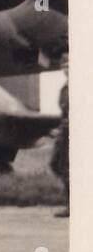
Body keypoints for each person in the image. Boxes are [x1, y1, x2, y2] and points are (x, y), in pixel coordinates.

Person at [52, 71, 69, 219]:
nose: (65, 67)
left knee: (67, 168)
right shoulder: (65, 87)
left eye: (69, 63)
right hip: (64, 130)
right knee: (56, 164)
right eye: (63, 64)